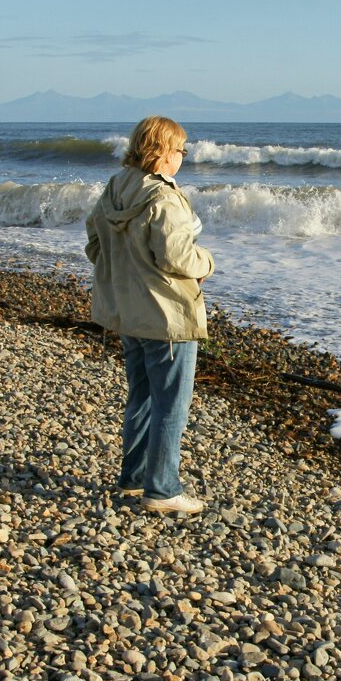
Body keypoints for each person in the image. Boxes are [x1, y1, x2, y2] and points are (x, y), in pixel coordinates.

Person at [85, 115, 214, 514]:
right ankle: (162, 489)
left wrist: (124, 271)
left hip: (127, 311)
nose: (182, 157)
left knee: (141, 395)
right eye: (179, 149)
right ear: (161, 152)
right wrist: (207, 262)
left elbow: (94, 243)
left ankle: (133, 478)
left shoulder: (116, 187)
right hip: (167, 317)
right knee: (171, 403)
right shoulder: (164, 198)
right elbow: (176, 256)